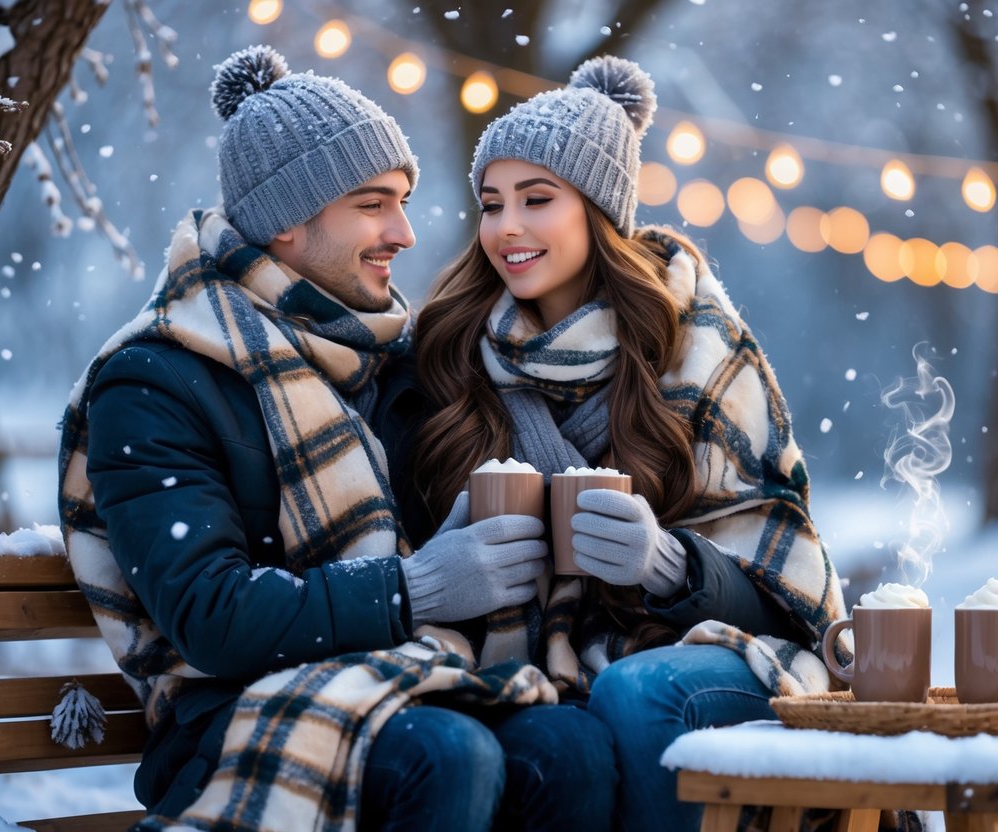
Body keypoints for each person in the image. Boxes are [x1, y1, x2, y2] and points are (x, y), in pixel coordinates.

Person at [57, 45, 614, 832]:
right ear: (288, 219)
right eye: (373, 204)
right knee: (446, 754)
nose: (404, 233)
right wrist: (411, 589)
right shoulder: (156, 380)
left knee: (570, 744)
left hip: (408, 677)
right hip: (232, 717)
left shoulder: (388, 361)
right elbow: (211, 617)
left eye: (404, 201)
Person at [413, 55, 854, 831]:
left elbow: (786, 595)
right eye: (491, 204)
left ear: (598, 212)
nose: (506, 227)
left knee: (636, 690)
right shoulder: (451, 352)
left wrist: (670, 567)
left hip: (704, 653)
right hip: (525, 667)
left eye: (537, 199)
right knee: (564, 733)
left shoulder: (699, 347)